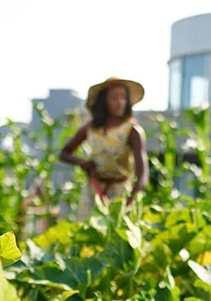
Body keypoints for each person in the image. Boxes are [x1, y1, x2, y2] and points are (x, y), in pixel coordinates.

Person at [59, 77, 149, 218]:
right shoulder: (90, 128)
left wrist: (129, 200)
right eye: (114, 98)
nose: (120, 102)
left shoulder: (132, 131)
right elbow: (64, 153)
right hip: (93, 189)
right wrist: (82, 163)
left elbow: (142, 176)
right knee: (86, 232)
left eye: (123, 98)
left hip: (120, 193)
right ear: (103, 102)